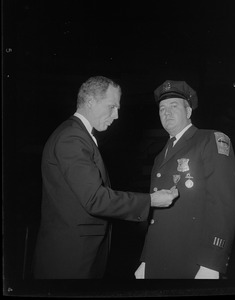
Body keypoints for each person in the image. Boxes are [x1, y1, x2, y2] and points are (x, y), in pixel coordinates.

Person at [32, 76, 178, 279]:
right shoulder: (72, 138)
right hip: (70, 259)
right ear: (90, 102)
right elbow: (95, 199)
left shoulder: (75, 135)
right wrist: (151, 200)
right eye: (112, 107)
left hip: (74, 252)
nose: (116, 115)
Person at [135, 80, 235, 279]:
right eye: (162, 108)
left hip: (194, 261)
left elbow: (224, 204)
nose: (167, 113)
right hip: (159, 259)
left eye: (174, 106)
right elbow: (156, 217)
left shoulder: (211, 140)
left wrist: (212, 263)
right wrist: (146, 259)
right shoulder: (161, 156)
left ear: (189, 111)